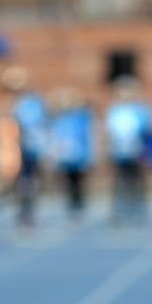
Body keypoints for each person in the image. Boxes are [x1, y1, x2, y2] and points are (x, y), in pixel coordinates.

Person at [1, 67, 48, 229]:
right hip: (13, 148)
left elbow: (36, 123)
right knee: (18, 181)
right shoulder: (8, 103)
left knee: (29, 180)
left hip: (30, 147)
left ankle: (28, 211)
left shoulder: (31, 102)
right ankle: (22, 210)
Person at [105, 76, 152, 224]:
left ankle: (137, 209)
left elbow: (148, 129)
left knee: (136, 181)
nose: (124, 94)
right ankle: (119, 211)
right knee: (120, 182)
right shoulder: (114, 110)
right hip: (119, 152)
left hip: (137, 151)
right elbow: (110, 131)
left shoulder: (141, 110)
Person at [48, 87, 95, 221]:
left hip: (79, 156)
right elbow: (55, 137)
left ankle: (79, 206)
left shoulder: (81, 118)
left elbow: (87, 136)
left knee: (78, 183)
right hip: (65, 157)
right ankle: (71, 207)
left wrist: (89, 155)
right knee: (68, 183)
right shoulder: (59, 120)